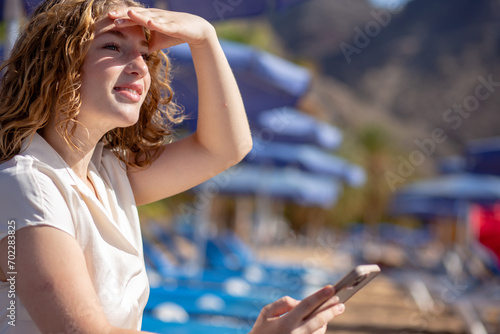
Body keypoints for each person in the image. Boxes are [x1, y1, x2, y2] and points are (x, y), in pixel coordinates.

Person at [0, 0, 345, 333]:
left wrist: (204, 38)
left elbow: (226, 147)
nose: (138, 65)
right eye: (113, 47)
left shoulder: (105, 175)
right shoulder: (27, 185)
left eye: (145, 53)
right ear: (57, 65)